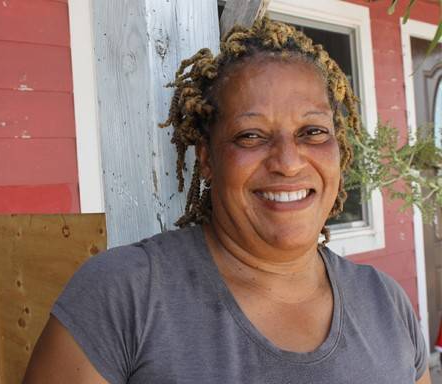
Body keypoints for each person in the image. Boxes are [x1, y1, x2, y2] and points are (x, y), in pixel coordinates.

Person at [24, 18, 431, 383]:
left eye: (312, 132)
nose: (288, 163)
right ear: (208, 160)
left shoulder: (386, 303)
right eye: (250, 136)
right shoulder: (125, 295)